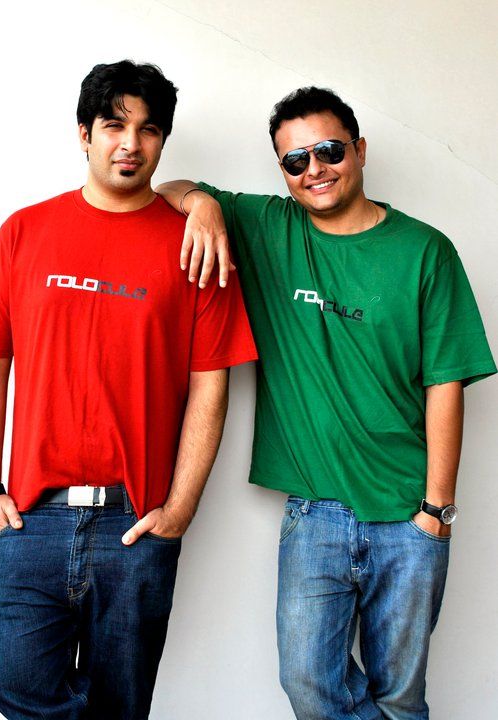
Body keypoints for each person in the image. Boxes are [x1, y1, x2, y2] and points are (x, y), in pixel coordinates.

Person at [156, 86, 497, 719]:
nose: (314, 168)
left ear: (360, 150)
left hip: (408, 512)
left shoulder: (426, 251)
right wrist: (201, 204)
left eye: (329, 151)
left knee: (401, 696)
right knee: (309, 684)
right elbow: (168, 186)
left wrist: (436, 510)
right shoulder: (268, 228)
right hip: (315, 514)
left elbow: (446, 384)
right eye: (294, 160)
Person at [0, 59, 257, 720]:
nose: (130, 143)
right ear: (84, 135)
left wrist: (179, 510)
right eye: (114, 125)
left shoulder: (195, 247)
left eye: (148, 130)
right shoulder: (23, 232)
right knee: (13, 681)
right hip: (31, 516)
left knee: (122, 705)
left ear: (162, 141)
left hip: (135, 523)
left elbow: (211, 388)